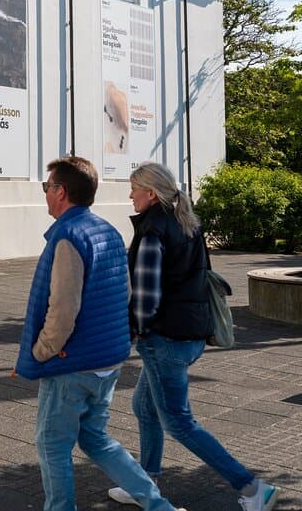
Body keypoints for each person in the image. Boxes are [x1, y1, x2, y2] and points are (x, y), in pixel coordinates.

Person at [106, 162, 279, 511]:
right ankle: (146, 483)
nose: (130, 195)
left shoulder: (153, 229)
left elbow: (146, 296)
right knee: (144, 407)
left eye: (134, 188)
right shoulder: (188, 223)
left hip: (164, 339)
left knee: (179, 422)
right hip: (192, 333)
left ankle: (252, 489)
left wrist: (133, 333)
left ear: (151, 193)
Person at [15, 156, 184, 511]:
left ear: (61, 192)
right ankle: (158, 506)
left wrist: (39, 353)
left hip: (74, 363)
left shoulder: (67, 237)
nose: (45, 194)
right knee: (94, 438)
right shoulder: (107, 230)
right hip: (108, 359)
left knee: (52, 443)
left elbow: (63, 311)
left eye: (47, 187)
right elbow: (123, 293)